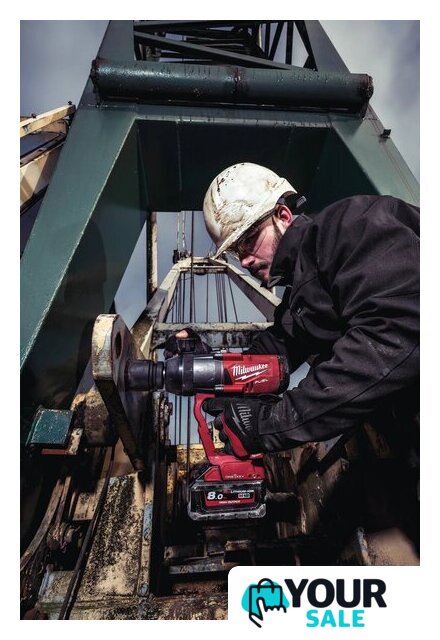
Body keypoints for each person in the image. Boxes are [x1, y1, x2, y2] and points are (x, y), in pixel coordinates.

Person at [192, 162, 420, 457]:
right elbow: (279, 346)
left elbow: (392, 336)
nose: (245, 261)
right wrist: (215, 373)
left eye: (249, 240)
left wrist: (270, 423)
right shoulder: (306, 288)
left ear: (283, 216)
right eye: (237, 252)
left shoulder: (350, 227)